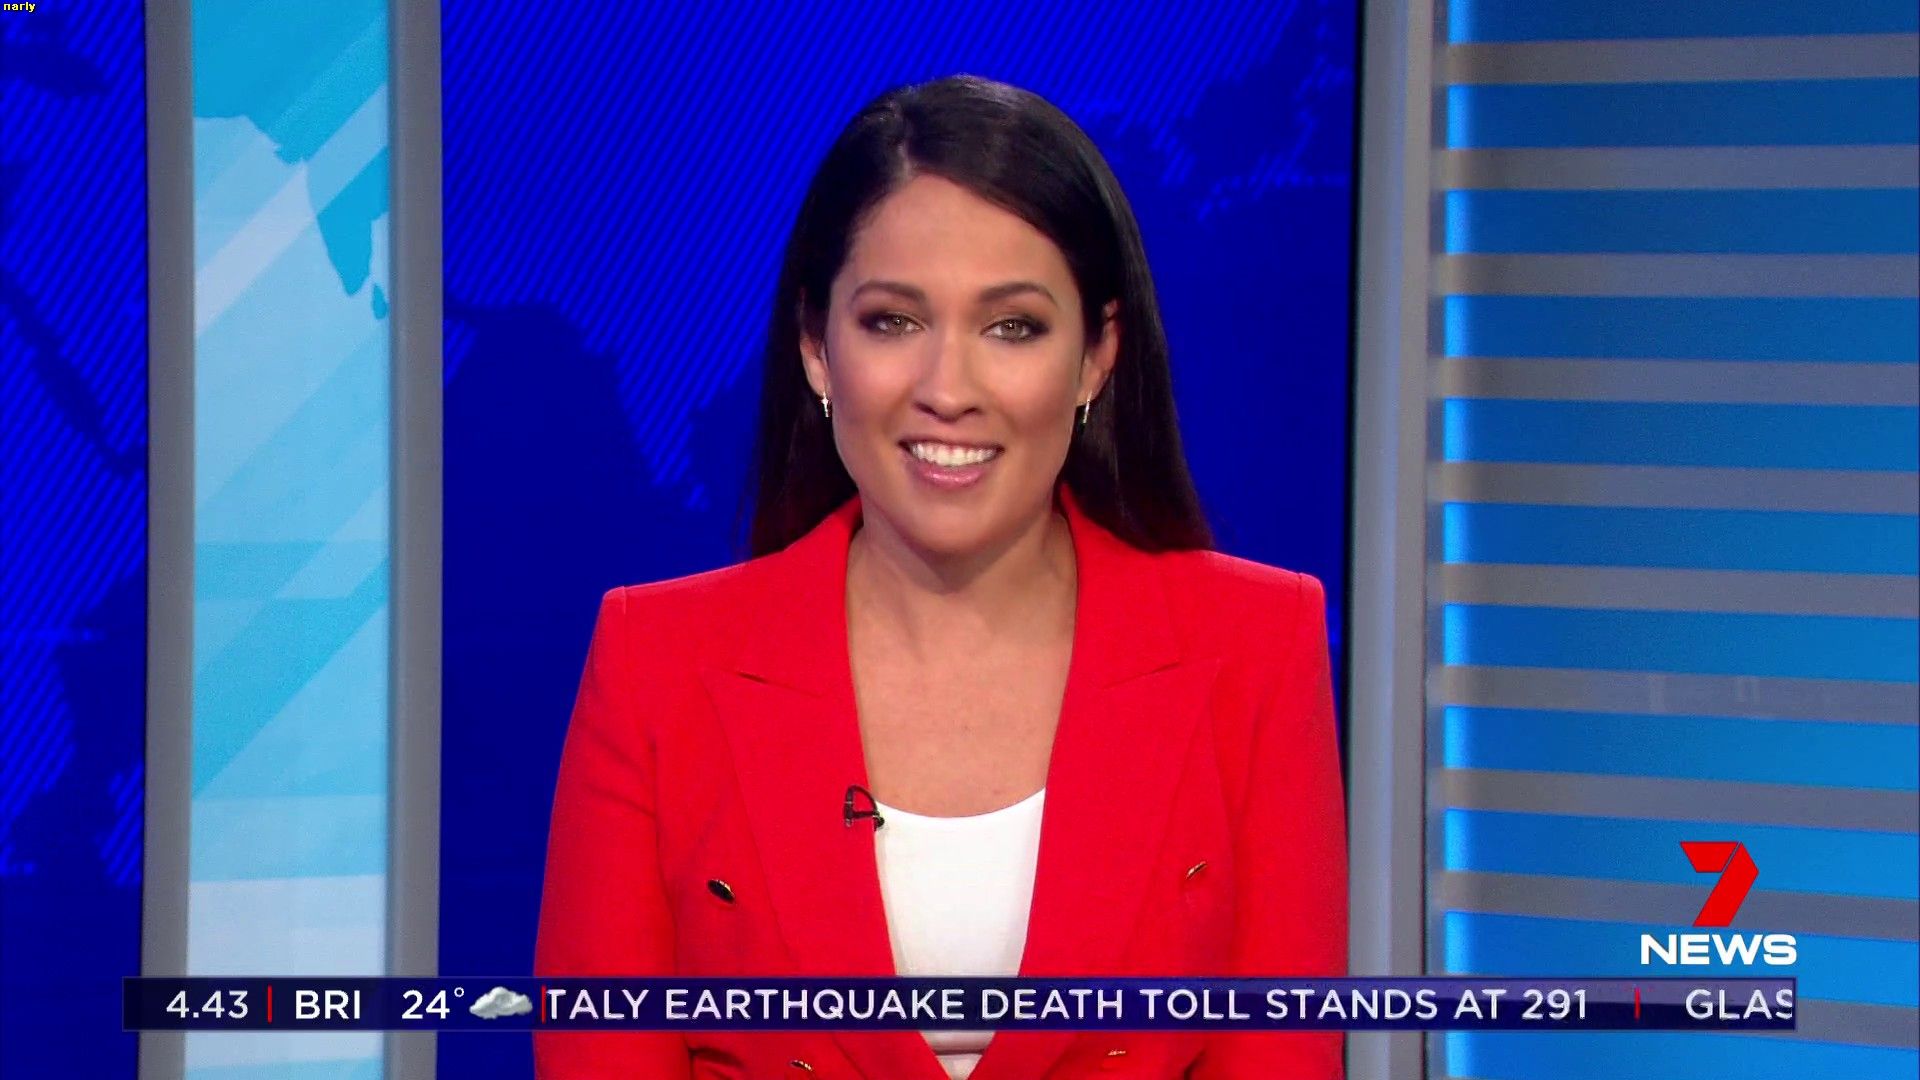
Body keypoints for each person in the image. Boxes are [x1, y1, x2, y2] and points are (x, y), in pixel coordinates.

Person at [534, 73, 1346, 1079]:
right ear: (816, 349)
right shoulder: (656, 665)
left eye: (1012, 327)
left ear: (1097, 356)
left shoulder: (1255, 647)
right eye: (892, 323)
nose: (947, 390)